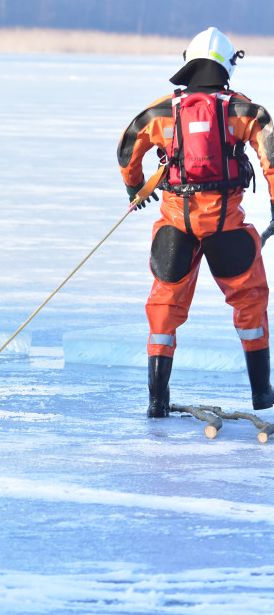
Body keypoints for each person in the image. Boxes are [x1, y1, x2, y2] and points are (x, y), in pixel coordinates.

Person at [117, 27, 274, 417]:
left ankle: (157, 400)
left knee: (163, 307)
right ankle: (261, 392)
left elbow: (127, 147)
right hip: (226, 226)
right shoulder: (245, 110)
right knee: (250, 302)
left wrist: (136, 188)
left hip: (176, 226)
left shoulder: (163, 111)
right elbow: (271, 155)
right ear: (226, 66)